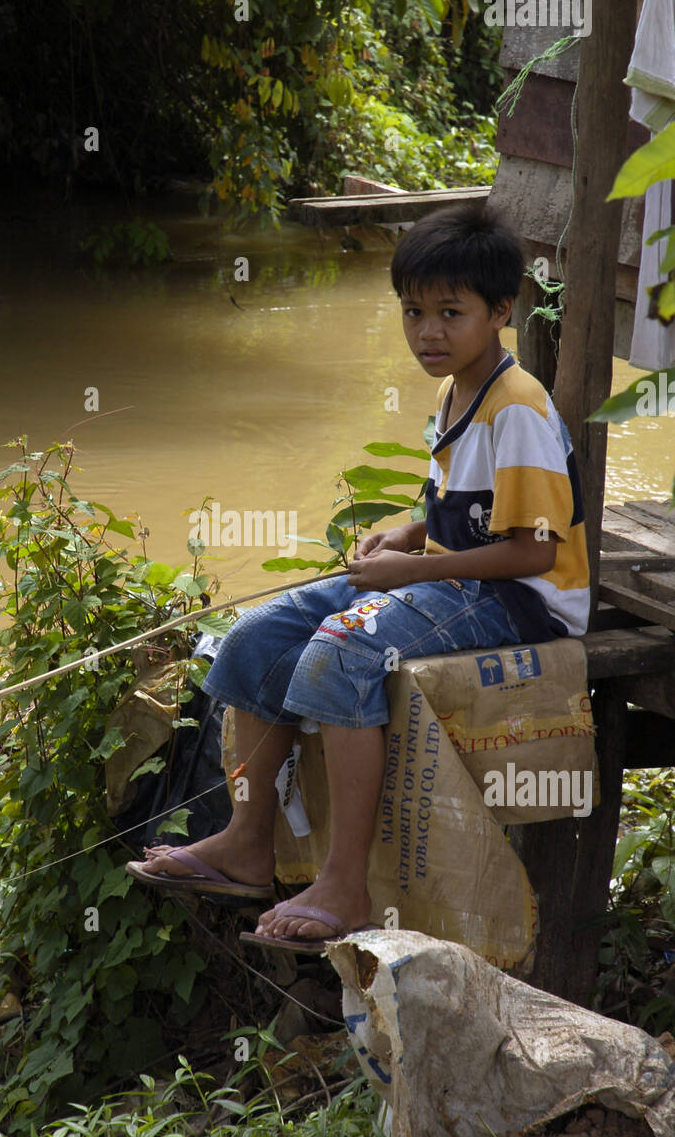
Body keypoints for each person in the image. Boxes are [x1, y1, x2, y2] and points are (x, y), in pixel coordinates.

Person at [126, 201, 590, 952]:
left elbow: (533, 554)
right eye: (413, 313)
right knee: (255, 639)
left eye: (450, 312)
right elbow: (463, 508)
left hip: (518, 602)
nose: (427, 333)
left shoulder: (520, 410)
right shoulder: (453, 395)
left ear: (501, 311)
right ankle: (247, 841)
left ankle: (346, 885)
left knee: (343, 648)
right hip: (452, 577)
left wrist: (412, 565)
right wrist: (410, 532)